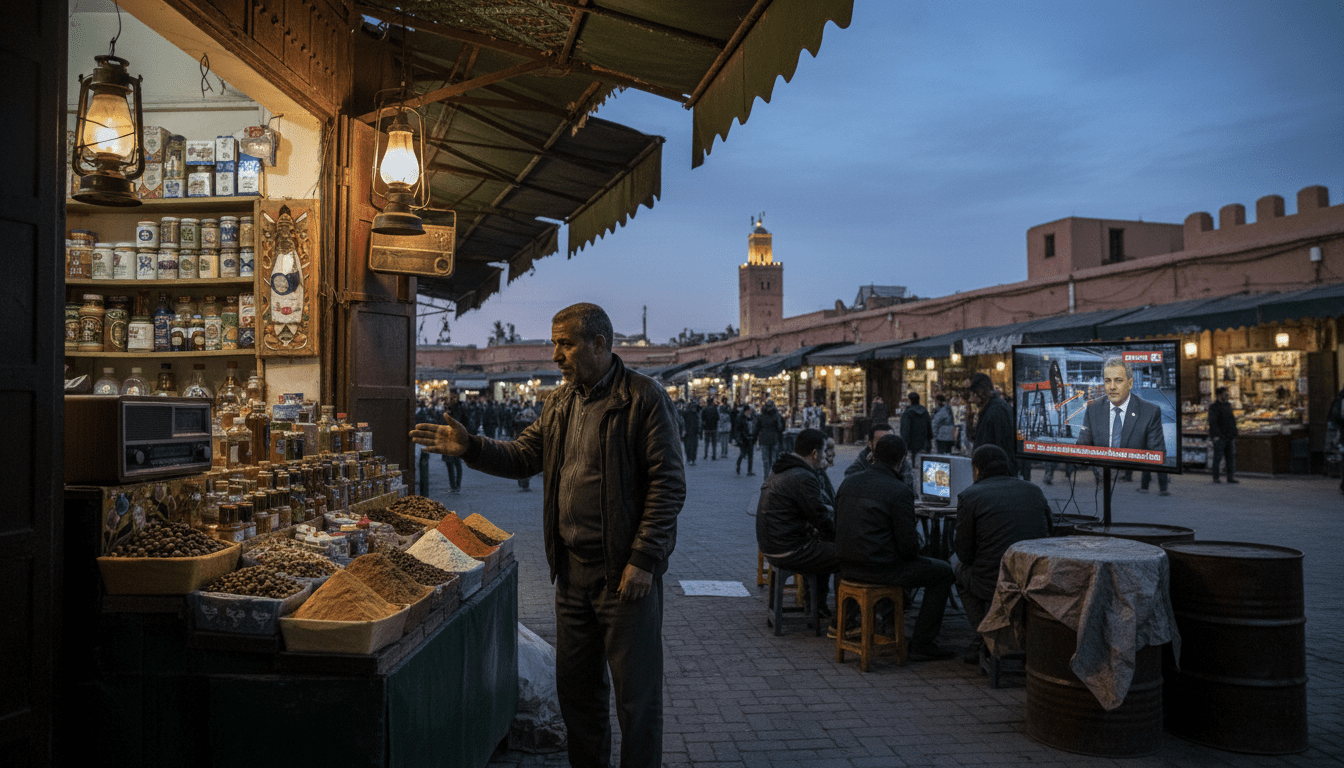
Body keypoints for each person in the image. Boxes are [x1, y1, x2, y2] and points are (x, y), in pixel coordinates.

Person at [410, 302, 685, 768]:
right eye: (554, 343)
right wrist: (471, 447)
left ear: (600, 344)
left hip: (625, 577)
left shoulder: (643, 398)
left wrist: (644, 558)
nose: (555, 354)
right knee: (578, 694)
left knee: (636, 700)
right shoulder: (560, 402)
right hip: (573, 575)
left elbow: (668, 484)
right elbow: (522, 456)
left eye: (566, 344)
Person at [834, 433, 957, 660]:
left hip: (846, 567)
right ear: (901, 460)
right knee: (943, 571)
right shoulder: (899, 490)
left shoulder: (848, 482)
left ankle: (892, 621)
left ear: (873, 455)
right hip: (881, 570)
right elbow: (908, 548)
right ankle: (922, 642)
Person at [953, 444, 1053, 663]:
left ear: (976, 470)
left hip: (992, 582)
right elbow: (1050, 532)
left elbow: (964, 554)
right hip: (1034, 578)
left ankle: (985, 635)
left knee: (955, 567)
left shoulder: (970, 496)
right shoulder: (1033, 490)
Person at [755, 428, 839, 616]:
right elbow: (820, 518)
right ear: (815, 453)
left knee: (825, 547)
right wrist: (839, 539)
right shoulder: (803, 476)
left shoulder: (783, 469)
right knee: (845, 554)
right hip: (788, 550)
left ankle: (817, 606)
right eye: (824, 451)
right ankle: (844, 617)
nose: (826, 455)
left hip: (772, 545)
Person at [968, 373, 1017, 478]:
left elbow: (1002, 446)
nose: (970, 400)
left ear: (980, 393)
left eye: (973, 395)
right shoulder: (990, 409)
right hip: (991, 474)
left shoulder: (997, 411)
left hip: (996, 477)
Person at [1209, 386, 1239, 484]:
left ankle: (1230, 477)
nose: (1226, 395)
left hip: (1229, 436)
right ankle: (1216, 477)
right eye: (1224, 393)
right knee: (1217, 457)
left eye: (1227, 393)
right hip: (1220, 437)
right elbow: (1213, 422)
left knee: (1230, 458)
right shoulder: (1214, 407)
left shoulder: (1228, 405)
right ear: (1219, 395)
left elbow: (1232, 420)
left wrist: (1234, 432)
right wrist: (1216, 435)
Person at [900, 392, 933, 466]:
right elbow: (929, 426)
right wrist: (929, 439)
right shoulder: (924, 411)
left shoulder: (907, 413)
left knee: (912, 466)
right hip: (924, 442)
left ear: (910, 400)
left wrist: (904, 443)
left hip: (912, 443)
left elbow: (905, 430)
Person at [757, 400, 786, 476]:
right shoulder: (776, 416)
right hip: (774, 440)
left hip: (764, 440)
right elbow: (780, 428)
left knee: (766, 461)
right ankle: (772, 479)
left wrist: (756, 440)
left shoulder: (761, 416)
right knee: (773, 460)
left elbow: (757, 428)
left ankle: (767, 479)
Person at [736, 404, 759, 475]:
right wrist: (739, 438)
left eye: (750, 410)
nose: (750, 412)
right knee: (743, 454)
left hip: (751, 439)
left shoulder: (752, 418)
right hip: (744, 439)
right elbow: (738, 429)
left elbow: (755, 426)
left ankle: (749, 471)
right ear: (746, 411)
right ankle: (738, 465)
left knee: (750, 455)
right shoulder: (741, 418)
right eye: (749, 410)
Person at [680, 398, 700, 466]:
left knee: (687, 446)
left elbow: (682, 423)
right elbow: (698, 423)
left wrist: (682, 431)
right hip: (694, 432)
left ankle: (689, 458)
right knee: (694, 446)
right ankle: (693, 459)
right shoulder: (695, 414)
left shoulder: (684, 414)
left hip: (687, 432)